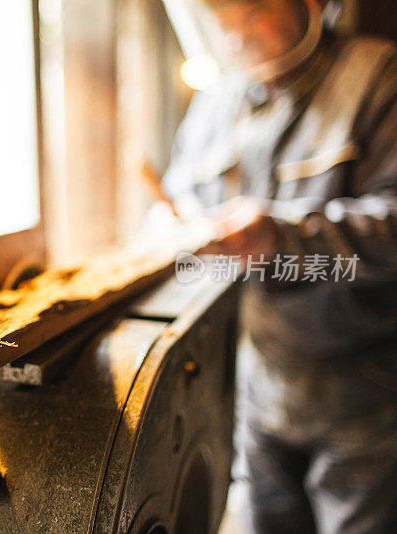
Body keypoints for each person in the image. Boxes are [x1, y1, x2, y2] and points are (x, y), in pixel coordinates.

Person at [160, 0, 397, 532]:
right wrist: (180, 225)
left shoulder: (379, 76)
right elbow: (180, 195)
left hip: (365, 386)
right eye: (219, 20)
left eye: (253, 11)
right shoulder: (218, 99)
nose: (233, 34)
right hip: (260, 380)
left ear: (310, 5)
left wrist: (285, 236)